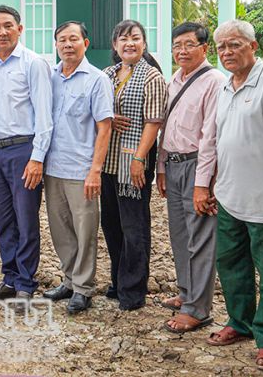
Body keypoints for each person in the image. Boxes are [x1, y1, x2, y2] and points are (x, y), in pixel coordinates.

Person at [207, 19, 263, 373]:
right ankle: (239, 322)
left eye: (235, 45)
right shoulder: (225, 86)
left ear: (253, 46)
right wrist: (213, 182)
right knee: (231, 265)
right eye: (222, 48)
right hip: (229, 195)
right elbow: (220, 139)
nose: (227, 52)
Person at [0, 6, 53, 311]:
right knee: (3, 219)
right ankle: (9, 278)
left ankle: (25, 283)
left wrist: (37, 158)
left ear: (20, 29)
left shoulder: (33, 64)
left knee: (26, 218)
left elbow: (44, 115)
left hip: (24, 150)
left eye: (8, 26)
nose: (2, 32)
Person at [156, 22, 225, 334]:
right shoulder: (174, 79)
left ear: (204, 48)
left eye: (188, 44)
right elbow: (166, 128)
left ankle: (198, 309)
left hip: (198, 164)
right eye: (177, 45)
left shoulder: (214, 81)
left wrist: (203, 184)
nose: (181, 51)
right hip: (173, 163)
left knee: (200, 238)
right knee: (180, 235)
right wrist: (160, 167)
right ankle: (186, 293)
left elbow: (210, 136)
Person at [42, 21, 113, 314]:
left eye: (73, 39)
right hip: (53, 167)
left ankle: (83, 289)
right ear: (56, 45)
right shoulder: (50, 77)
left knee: (85, 231)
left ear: (85, 42)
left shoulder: (96, 80)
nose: (67, 44)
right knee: (60, 230)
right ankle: (69, 280)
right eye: (62, 40)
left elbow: (105, 126)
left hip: (81, 169)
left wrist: (95, 170)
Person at [100, 19, 167, 311]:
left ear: (143, 43)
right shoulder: (108, 74)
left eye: (135, 38)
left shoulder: (151, 76)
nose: (129, 43)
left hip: (133, 161)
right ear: (115, 45)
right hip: (108, 162)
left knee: (134, 227)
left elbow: (153, 123)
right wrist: (109, 119)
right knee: (111, 225)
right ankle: (117, 280)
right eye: (123, 38)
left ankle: (133, 289)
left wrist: (140, 159)